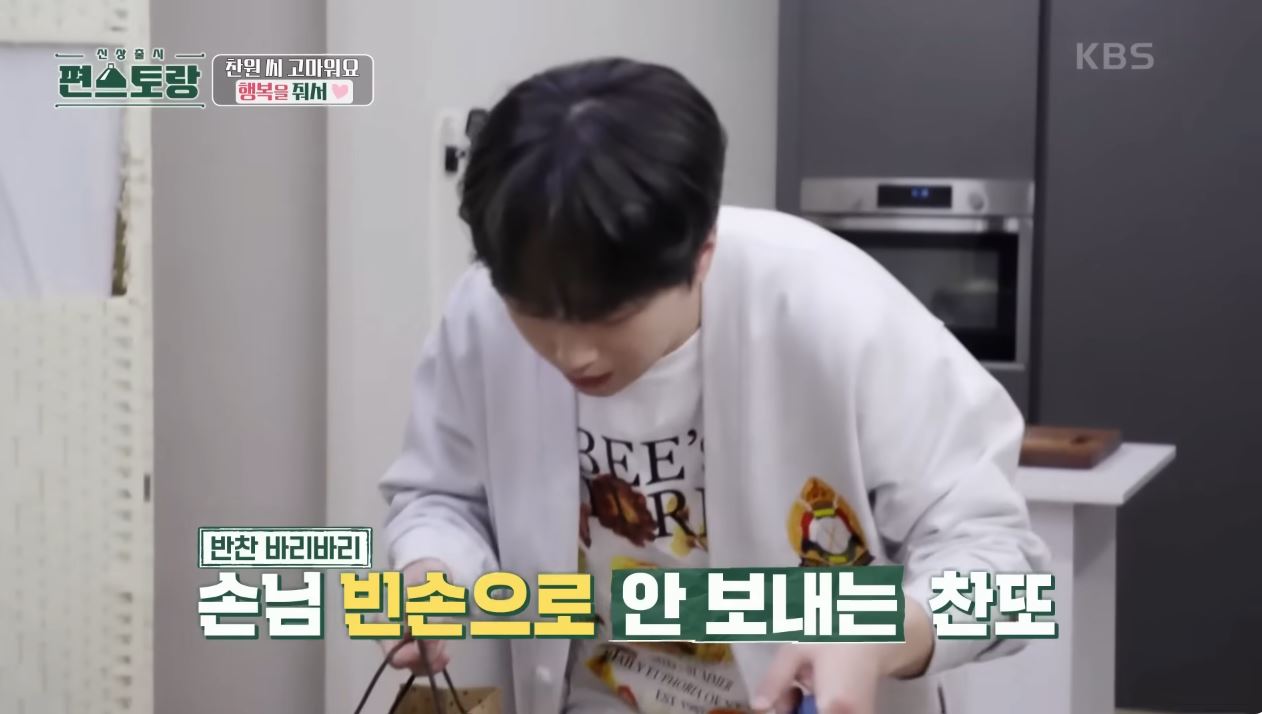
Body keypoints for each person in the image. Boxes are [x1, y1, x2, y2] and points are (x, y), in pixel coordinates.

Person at [379, 57, 1049, 714]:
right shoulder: (482, 314)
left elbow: (1009, 575)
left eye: (609, 316)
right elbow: (443, 497)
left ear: (702, 253)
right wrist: (431, 573)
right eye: (533, 314)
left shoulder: (842, 314)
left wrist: (881, 631)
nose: (570, 353)